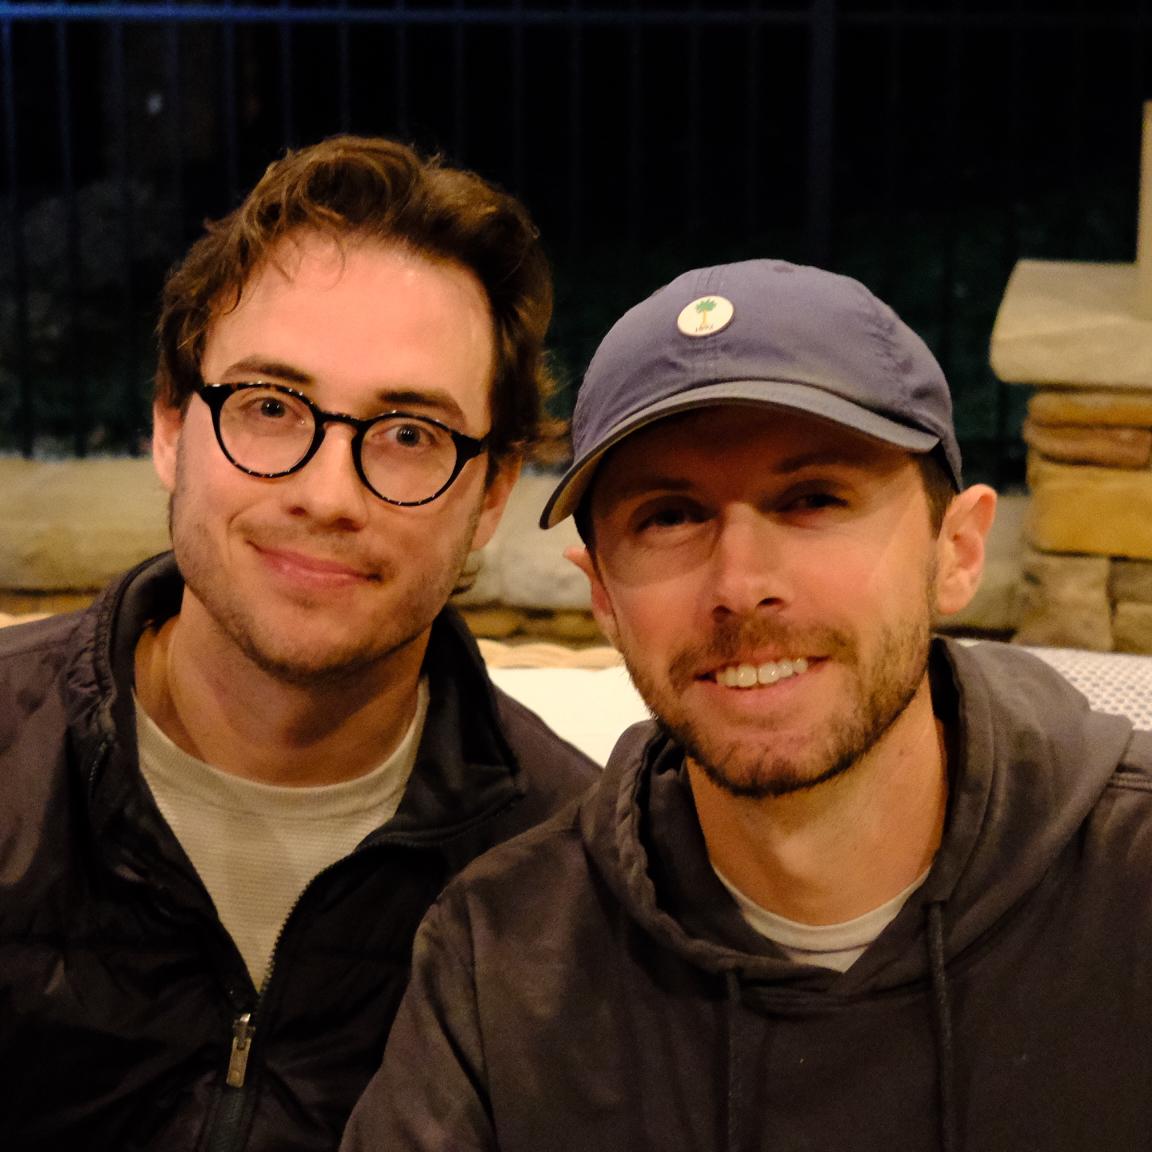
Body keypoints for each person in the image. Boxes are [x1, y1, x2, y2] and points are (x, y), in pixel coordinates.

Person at [342, 259, 1152, 1152]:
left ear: (956, 551)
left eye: (813, 500)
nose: (740, 584)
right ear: (603, 597)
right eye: (669, 516)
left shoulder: (1129, 882)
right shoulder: (502, 960)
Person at [0, 136, 597, 1152]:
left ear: (493, 493)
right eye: (271, 408)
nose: (327, 495)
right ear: (170, 428)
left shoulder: (572, 875)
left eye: (409, 434)